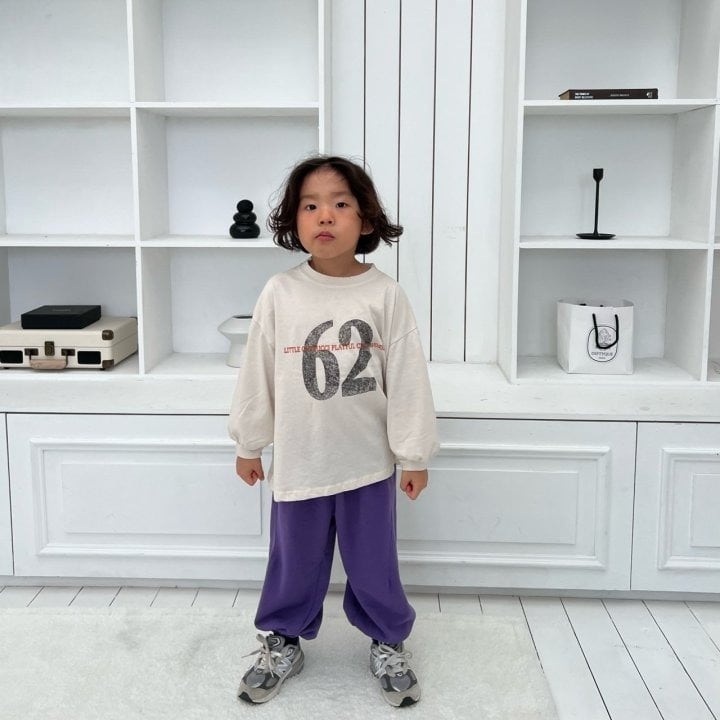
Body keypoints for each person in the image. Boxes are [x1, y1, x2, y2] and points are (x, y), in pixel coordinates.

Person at [228, 155, 438, 707]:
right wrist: (250, 443)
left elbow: (408, 379)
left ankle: (388, 641)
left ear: (365, 219)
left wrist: (413, 454)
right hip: (300, 460)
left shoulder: (385, 294)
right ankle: (282, 640)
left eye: (340, 204)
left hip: (368, 463)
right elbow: (257, 372)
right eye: (310, 205)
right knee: (292, 562)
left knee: (374, 565)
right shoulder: (280, 292)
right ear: (293, 220)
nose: (325, 215)